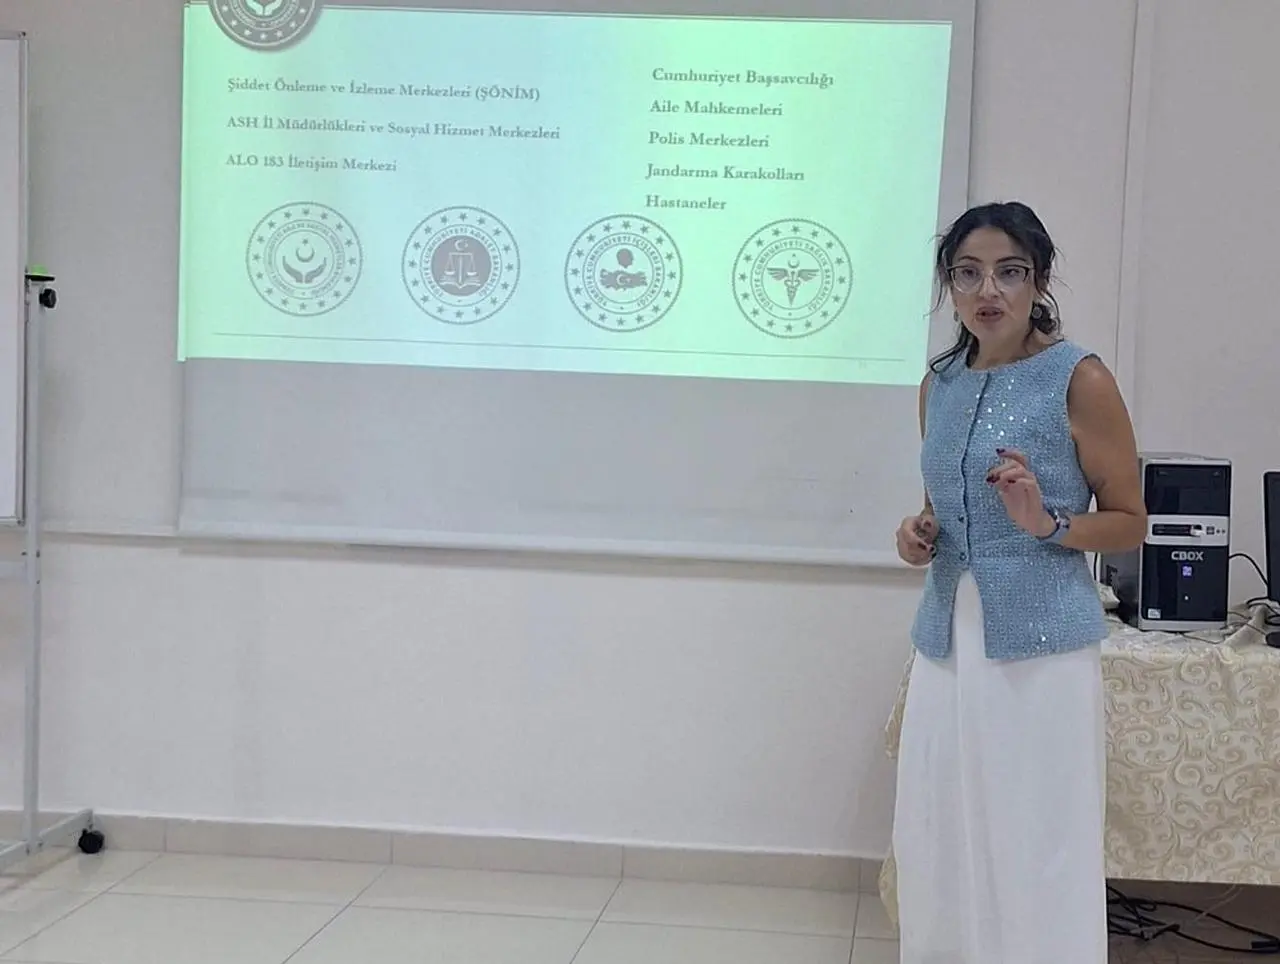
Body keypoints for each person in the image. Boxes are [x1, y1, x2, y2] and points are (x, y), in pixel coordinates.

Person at [891, 201, 1147, 964]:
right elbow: (945, 506)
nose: (988, 291)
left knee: (1034, 832)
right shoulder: (939, 383)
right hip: (946, 638)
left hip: (1042, 645)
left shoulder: (1080, 378)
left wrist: (1049, 524)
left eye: (1009, 272)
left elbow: (1130, 521)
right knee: (939, 826)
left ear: (1039, 281)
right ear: (949, 286)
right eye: (967, 273)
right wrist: (919, 531)